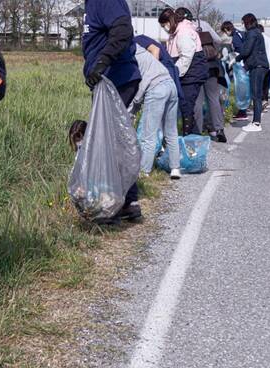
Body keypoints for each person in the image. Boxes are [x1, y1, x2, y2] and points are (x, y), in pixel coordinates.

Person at [82, 0, 142, 221]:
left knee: (107, 142)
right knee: (114, 140)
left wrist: (102, 62)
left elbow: (123, 29)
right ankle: (127, 201)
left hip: (116, 77)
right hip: (106, 79)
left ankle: (111, 204)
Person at [130, 44, 181, 179]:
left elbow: (141, 85)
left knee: (149, 134)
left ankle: (144, 171)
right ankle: (175, 168)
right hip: (171, 85)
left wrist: (132, 108)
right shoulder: (143, 53)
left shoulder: (131, 58)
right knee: (171, 131)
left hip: (156, 89)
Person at [159, 7, 208, 136]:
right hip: (187, 74)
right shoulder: (175, 33)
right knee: (186, 106)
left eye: (164, 25)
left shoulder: (184, 32)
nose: (164, 28)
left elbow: (186, 57)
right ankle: (191, 136)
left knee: (187, 106)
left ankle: (189, 138)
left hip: (191, 74)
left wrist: (174, 73)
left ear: (170, 21)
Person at [193, 16, 227, 143]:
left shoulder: (184, 28)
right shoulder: (204, 24)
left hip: (196, 67)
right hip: (212, 65)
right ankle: (219, 130)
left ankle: (196, 131)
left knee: (197, 100)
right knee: (213, 99)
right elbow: (218, 40)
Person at [236, 13, 268, 132]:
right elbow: (253, 52)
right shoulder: (257, 32)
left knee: (256, 95)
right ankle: (256, 122)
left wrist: (236, 58)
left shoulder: (252, 33)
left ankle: (256, 123)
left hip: (258, 66)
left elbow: (246, 51)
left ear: (247, 22)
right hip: (259, 65)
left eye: (244, 23)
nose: (243, 26)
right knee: (257, 94)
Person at [221, 20, 248, 121]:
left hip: (240, 65)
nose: (226, 34)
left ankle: (242, 112)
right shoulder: (240, 33)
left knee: (241, 88)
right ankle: (243, 110)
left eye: (225, 31)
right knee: (244, 88)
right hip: (244, 64)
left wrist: (232, 59)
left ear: (227, 29)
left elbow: (239, 51)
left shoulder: (236, 37)